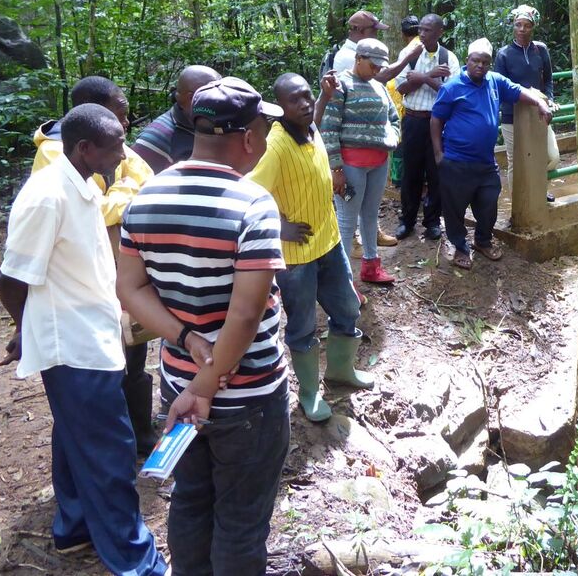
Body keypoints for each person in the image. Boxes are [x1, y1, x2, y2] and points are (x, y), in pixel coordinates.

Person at [117, 77, 290, 576]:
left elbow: (129, 289)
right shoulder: (253, 204)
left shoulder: (146, 195)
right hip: (246, 396)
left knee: (190, 501)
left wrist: (186, 340)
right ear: (249, 138)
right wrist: (206, 386)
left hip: (177, 383)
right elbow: (245, 314)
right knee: (240, 520)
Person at [0, 104, 166, 575]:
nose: (123, 154)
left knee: (76, 438)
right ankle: (136, 561)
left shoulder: (83, 183)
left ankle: (73, 529)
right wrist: (23, 330)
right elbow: (11, 279)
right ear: (85, 148)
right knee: (110, 455)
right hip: (73, 347)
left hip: (93, 335)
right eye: (115, 147)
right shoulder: (47, 195)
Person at [31, 75, 158, 455]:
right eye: (120, 108)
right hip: (84, 280)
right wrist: (125, 191)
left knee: (134, 354)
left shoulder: (110, 144)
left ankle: (140, 433)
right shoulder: (54, 156)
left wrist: (124, 192)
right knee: (103, 366)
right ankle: (111, 443)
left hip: (122, 270)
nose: (127, 119)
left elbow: (145, 178)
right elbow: (94, 211)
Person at [248, 73, 374, 422]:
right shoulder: (274, 146)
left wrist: (322, 97)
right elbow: (246, 194)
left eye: (306, 96)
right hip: (296, 257)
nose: (303, 104)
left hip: (329, 243)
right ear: (279, 108)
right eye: (295, 100)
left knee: (347, 308)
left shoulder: (310, 127)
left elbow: (313, 117)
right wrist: (278, 226)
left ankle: (340, 372)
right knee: (302, 327)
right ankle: (308, 393)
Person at [431, 39, 552, 270]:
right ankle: (459, 246)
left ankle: (482, 240)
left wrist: (540, 102)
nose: (480, 65)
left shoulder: (494, 81)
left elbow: (518, 91)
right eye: (476, 61)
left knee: (489, 202)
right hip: (456, 160)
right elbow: (436, 120)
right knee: (455, 208)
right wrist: (439, 154)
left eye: (485, 62)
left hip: (485, 162)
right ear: (467, 61)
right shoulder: (452, 87)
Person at [320, 39, 401, 285]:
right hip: (349, 167)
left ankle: (371, 266)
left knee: (370, 215)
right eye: (373, 64)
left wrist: (393, 138)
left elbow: (394, 118)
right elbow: (328, 127)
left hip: (378, 163)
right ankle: (344, 283)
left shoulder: (379, 87)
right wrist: (335, 168)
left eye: (380, 66)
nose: (377, 70)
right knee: (346, 220)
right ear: (358, 59)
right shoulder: (340, 85)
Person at [394, 13, 460, 241]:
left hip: (439, 122)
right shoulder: (409, 54)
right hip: (413, 120)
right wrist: (430, 76)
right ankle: (407, 220)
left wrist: (424, 77)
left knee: (436, 173)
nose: (422, 34)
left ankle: (432, 221)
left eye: (427, 30)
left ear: (440, 32)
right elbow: (400, 88)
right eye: (420, 29)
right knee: (411, 172)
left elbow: (451, 94)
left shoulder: (449, 58)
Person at [493, 5, 559, 198]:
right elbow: (500, 87)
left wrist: (550, 100)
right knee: (516, 161)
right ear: (513, 27)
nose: (522, 29)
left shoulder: (541, 50)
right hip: (512, 115)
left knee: (551, 157)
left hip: (539, 112)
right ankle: (518, 201)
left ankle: (538, 188)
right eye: (518, 25)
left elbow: (547, 79)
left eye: (527, 25)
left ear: (533, 27)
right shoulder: (504, 54)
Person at [131, 65, 222, 173]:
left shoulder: (205, 124)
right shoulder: (156, 138)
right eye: (215, 94)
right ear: (192, 98)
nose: (221, 98)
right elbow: (135, 183)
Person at [386, 15, 421, 189]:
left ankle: (400, 181)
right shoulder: (429, 47)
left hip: (406, 107)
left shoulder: (407, 52)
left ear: (402, 34)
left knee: (402, 146)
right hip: (420, 108)